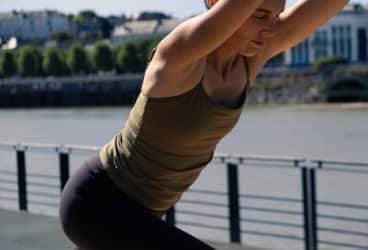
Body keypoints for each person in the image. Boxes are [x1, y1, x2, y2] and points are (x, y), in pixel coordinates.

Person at [59, 0, 349, 249]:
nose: (271, 28)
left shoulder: (253, 54)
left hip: (144, 216)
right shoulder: (179, 53)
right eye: (260, 14)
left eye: (276, 16)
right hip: (98, 203)